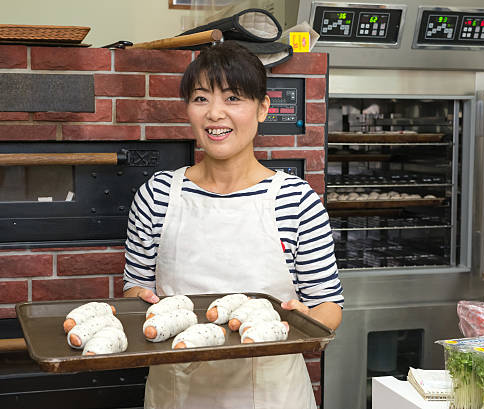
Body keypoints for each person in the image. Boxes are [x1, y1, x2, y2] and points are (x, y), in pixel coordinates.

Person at [123, 41, 343, 409]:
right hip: (179, 391)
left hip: (273, 393)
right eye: (201, 99)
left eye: (232, 98)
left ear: (263, 108)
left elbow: (329, 306)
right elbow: (135, 291)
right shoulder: (157, 194)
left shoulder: (296, 199)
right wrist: (142, 305)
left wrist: (305, 323)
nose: (215, 114)